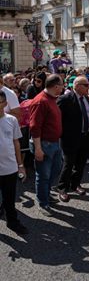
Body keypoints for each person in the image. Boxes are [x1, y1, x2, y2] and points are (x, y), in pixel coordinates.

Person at [29, 74, 65, 215]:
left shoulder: (52, 99)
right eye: (62, 85)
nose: (63, 87)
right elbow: (34, 127)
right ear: (56, 86)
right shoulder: (40, 101)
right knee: (43, 175)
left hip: (54, 143)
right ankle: (43, 202)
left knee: (55, 170)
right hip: (44, 144)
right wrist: (38, 148)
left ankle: (46, 194)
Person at [56, 76, 89, 198]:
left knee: (80, 163)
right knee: (68, 164)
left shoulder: (86, 99)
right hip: (70, 138)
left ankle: (75, 184)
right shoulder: (65, 99)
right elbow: (57, 118)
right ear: (77, 85)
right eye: (86, 85)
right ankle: (62, 188)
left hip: (85, 136)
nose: (88, 88)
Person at [0, 90, 28, 235]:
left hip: (9, 168)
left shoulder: (11, 120)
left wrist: (21, 165)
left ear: (5, 104)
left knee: (9, 199)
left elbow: (16, 143)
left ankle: (13, 222)